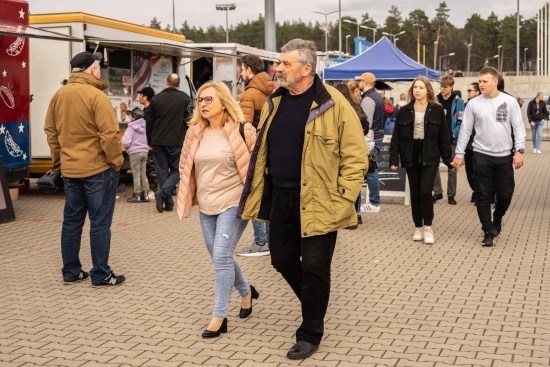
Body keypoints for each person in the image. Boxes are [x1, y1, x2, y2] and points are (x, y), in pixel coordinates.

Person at [238, 39, 368, 360]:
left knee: (315, 267)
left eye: (285, 64)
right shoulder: (275, 101)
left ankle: (310, 331)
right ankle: (314, 302)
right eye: (278, 63)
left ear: (307, 69)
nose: (277, 69)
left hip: (321, 200)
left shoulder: (333, 103)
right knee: (281, 260)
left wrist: (343, 199)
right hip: (282, 197)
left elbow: (355, 157)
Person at [176, 81, 258, 338]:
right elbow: (185, 166)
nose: (203, 104)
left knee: (222, 256)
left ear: (224, 102)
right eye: (200, 100)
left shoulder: (243, 130)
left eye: (209, 99)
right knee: (218, 256)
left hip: (234, 202)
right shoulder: (194, 132)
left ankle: (219, 316)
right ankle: (246, 292)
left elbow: (257, 169)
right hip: (207, 204)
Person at [44, 51, 125, 287]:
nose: (100, 71)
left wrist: (59, 163)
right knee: (100, 223)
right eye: (98, 66)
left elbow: (51, 132)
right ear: (92, 70)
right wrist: (116, 161)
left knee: (71, 222)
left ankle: (71, 272)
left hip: (70, 171)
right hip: (98, 170)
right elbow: (109, 135)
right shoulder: (97, 96)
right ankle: (101, 274)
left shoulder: (58, 95)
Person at [452, 67, 526, 247]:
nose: (481, 84)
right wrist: (459, 155)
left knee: (505, 194)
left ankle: (497, 217)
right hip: (481, 155)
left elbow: (518, 127)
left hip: (503, 157)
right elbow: (465, 131)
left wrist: (519, 150)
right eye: (479, 81)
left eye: (485, 81)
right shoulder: (474, 104)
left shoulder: (509, 102)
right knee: (482, 195)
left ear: (495, 81)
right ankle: (487, 231)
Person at [389, 76, 452, 244]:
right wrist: (393, 158)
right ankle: (418, 227)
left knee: (426, 191)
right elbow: (397, 137)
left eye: (421, 87)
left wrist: (448, 159)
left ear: (428, 90)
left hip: (430, 154)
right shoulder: (404, 110)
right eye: (415, 87)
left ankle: (428, 227)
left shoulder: (437, 109)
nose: (417, 90)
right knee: (415, 193)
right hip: (410, 153)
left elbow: (444, 137)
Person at [236, 54, 274, 257]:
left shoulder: (249, 94)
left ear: (249, 69)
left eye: (242, 69)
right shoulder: (272, 90)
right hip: (271, 149)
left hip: (254, 151)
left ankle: (261, 242)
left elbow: (245, 128)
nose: (241, 73)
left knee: (254, 194)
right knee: (267, 194)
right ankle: (270, 239)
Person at [145, 73, 192, 213]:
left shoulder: (156, 99)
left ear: (166, 83)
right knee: (178, 170)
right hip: (176, 141)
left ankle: (169, 204)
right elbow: (190, 121)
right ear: (178, 85)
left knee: (162, 171)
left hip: (158, 141)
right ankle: (164, 192)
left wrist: (149, 140)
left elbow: (149, 121)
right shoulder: (185, 98)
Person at [335, 83, 369, 229]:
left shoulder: (336, 108)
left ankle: (345, 215)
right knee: (355, 183)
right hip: (356, 148)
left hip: (340, 150)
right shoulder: (356, 106)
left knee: (342, 183)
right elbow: (366, 126)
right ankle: (357, 213)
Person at [432, 74, 465, 205]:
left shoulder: (458, 102)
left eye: (445, 87)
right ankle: (437, 192)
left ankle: (451, 195)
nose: (442, 90)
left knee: (452, 168)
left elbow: (461, 121)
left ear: (451, 87)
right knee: (433, 166)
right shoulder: (435, 100)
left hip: (451, 139)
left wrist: (453, 134)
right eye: (441, 87)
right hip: (436, 139)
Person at [356, 72, 384, 213]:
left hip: (371, 138)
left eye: (360, 80)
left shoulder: (368, 99)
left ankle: (374, 202)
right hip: (376, 136)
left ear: (365, 82)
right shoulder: (375, 96)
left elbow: (366, 123)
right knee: (371, 168)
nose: (358, 83)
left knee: (371, 169)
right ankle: (374, 201)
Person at [122, 108, 150, 203]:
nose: (130, 117)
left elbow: (125, 142)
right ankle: (145, 194)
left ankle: (137, 195)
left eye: (131, 116)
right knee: (143, 174)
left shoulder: (131, 128)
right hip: (144, 152)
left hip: (135, 153)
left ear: (134, 118)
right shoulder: (144, 127)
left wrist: (128, 148)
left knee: (136, 174)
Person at [137, 87, 158, 193]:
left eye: (141, 95)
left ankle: (155, 191)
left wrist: (150, 143)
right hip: (143, 144)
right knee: (146, 168)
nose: (139, 97)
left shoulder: (150, 111)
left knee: (151, 168)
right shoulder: (145, 111)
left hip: (150, 145)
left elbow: (150, 127)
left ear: (145, 97)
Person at [464, 82, 481, 204]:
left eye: (470, 90)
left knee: (479, 170)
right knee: (469, 170)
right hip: (468, 144)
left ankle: (481, 193)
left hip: (480, 144)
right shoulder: (466, 105)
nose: (468, 92)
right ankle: (475, 190)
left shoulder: (483, 105)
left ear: (477, 92)